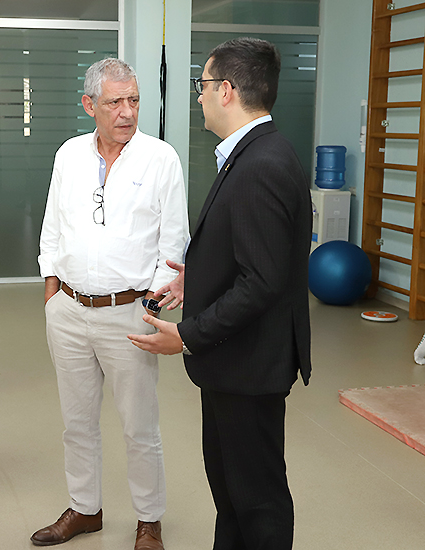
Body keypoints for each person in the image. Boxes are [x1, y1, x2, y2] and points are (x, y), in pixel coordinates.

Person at [128, 37, 312, 550]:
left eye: (203, 85)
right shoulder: (250, 154)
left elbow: (262, 282)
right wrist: (199, 276)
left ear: (226, 90)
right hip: (236, 362)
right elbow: (255, 255)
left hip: (249, 364)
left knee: (256, 499)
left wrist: (187, 336)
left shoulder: (261, 165)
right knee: (231, 493)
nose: (199, 96)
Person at [33, 58, 189, 550]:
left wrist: (151, 307)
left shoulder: (160, 158)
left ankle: (149, 520)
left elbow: (173, 241)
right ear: (89, 105)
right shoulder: (69, 155)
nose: (127, 112)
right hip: (69, 309)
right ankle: (85, 509)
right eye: (115, 102)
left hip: (130, 314)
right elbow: (52, 226)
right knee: (76, 423)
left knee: (140, 427)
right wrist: (51, 290)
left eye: (134, 100)